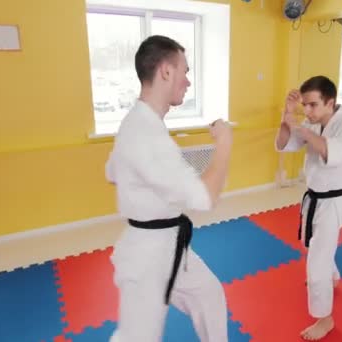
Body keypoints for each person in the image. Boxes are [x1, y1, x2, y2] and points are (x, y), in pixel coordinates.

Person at [104, 35, 233, 342]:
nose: (187, 82)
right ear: (165, 71)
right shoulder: (146, 132)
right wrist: (225, 143)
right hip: (147, 256)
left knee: (209, 296)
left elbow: (111, 172)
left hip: (169, 242)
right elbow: (206, 198)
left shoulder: (139, 122)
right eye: (184, 71)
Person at [275, 76, 342, 340]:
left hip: (333, 201)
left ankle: (324, 320)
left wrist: (301, 129)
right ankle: (333, 275)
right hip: (313, 198)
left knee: (316, 266)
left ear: (330, 102)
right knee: (311, 245)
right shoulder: (311, 123)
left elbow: (328, 151)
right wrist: (287, 115)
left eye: (313, 105)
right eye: (305, 105)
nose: (308, 111)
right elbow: (284, 144)